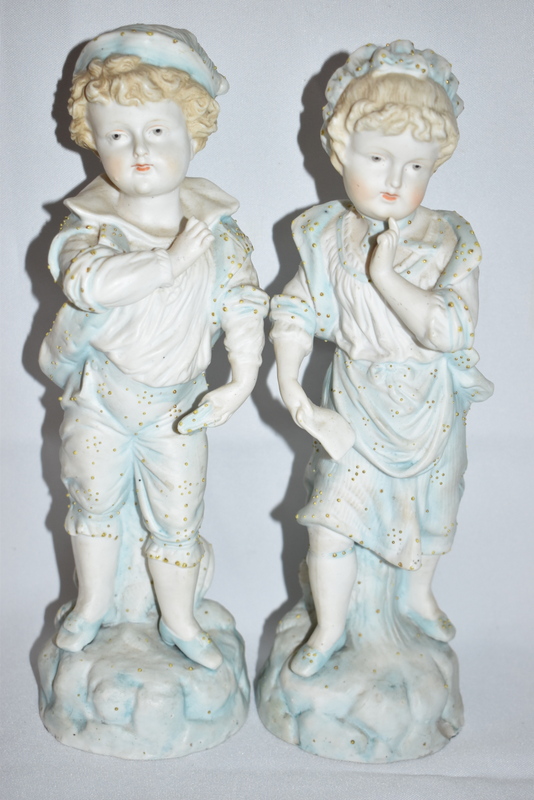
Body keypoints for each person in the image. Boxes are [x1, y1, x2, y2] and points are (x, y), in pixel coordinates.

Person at [40, 25, 268, 669]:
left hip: (176, 406)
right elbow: (87, 284)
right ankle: (91, 605)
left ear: (194, 133)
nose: (139, 149)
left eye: (158, 131)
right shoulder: (90, 228)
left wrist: (241, 378)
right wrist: (168, 263)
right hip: (101, 400)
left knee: (178, 519)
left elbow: (243, 304)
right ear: (93, 141)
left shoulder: (217, 234)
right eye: (117, 136)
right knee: (92, 503)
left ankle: (181, 619)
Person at [270, 41, 492, 677]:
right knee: (330, 523)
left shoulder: (451, 238)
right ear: (340, 152)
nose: (395, 180)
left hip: (429, 404)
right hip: (355, 400)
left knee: (432, 510)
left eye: (415, 165)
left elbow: (449, 330)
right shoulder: (323, 234)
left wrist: (387, 275)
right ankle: (328, 628)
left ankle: (418, 596)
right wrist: (292, 386)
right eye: (377, 158)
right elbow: (296, 311)